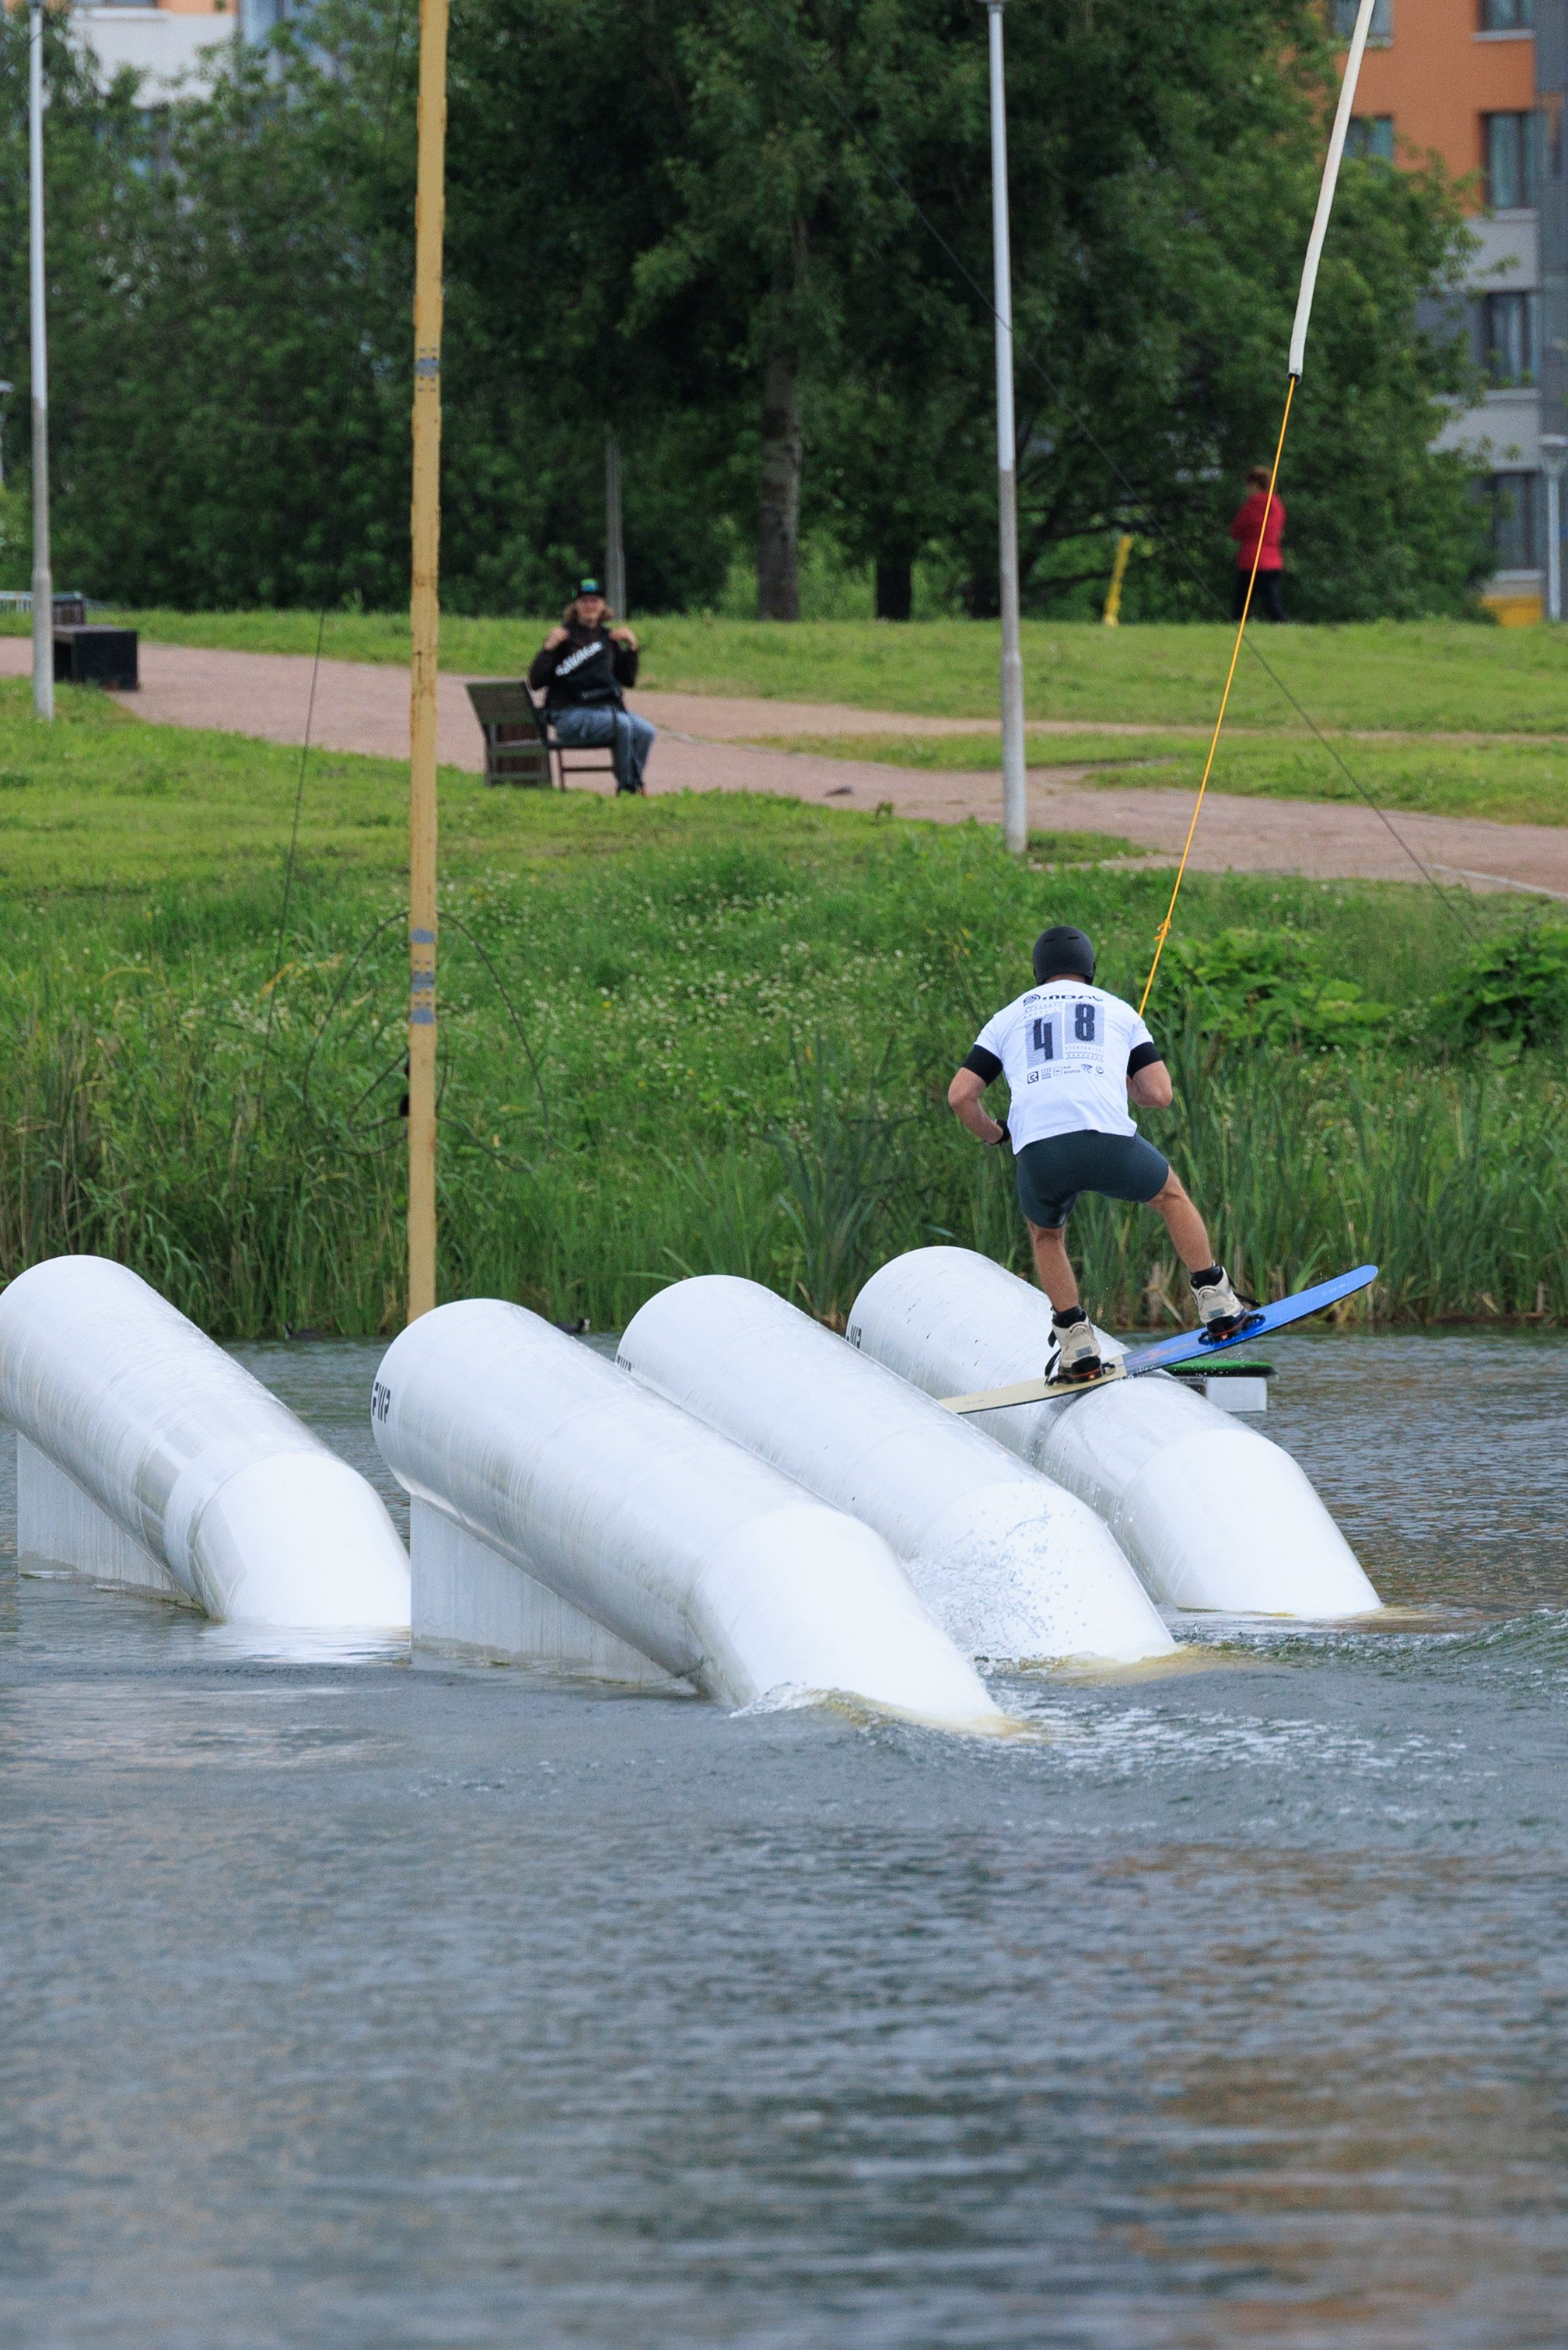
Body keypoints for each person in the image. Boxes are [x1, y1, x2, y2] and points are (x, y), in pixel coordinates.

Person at [947, 925, 1249, 1385]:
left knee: (1047, 1236)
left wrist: (994, 1135)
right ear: (1090, 969)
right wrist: (1124, 1085)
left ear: (1037, 973)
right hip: (1105, 1139)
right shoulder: (1119, 1010)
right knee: (1170, 1197)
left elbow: (960, 1096)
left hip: (1038, 1149)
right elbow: (1160, 1094)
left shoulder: (1006, 1017)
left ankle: (1078, 1343)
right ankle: (1216, 1299)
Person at [528, 578, 655, 795]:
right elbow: (535, 682)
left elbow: (628, 680)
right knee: (622, 725)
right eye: (585, 601)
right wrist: (548, 649)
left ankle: (632, 783)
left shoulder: (608, 638)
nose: (590, 605)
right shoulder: (563, 637)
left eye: (595, 601)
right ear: (575, 606)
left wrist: (632, 649)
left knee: (645, 731)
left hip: (606, 710)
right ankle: (629, 787)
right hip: (569, 714)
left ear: (603, 606)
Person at [1227, 466, 1286, 622]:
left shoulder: (1253, 504)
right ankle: (1283, 626)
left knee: (1242, 603)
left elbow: (1236, 531)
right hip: (1273, 560)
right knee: (1272, 600)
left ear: (1255, 484)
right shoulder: (1278, 505)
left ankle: (1237, 625)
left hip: (1252, 559)